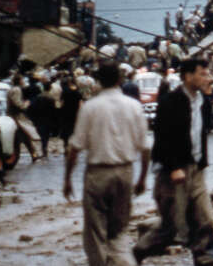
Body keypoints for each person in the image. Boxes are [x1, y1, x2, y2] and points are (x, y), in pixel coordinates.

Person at [65, 62, 152, 266]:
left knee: (95, 232)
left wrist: (68, 179)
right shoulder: (134, 106)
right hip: (125, 172)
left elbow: (75, 148)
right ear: (120, 80)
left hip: (97, 173)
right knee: (119, 231)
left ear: (98, 82)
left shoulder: (90, 107)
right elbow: (146, 148)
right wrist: (141, 179)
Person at [135, 58, 213, 266]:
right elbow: (162, 137)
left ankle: (205, 259)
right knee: (172, 227)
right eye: (203, 74)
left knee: (205, 219)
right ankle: (137, 253)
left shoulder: (202, 100)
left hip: (196, 168)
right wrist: (173, 167)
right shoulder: (171, 101)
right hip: (175, 171)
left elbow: (202, 132)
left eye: (208, 74)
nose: (208, 78)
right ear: (188, 76)